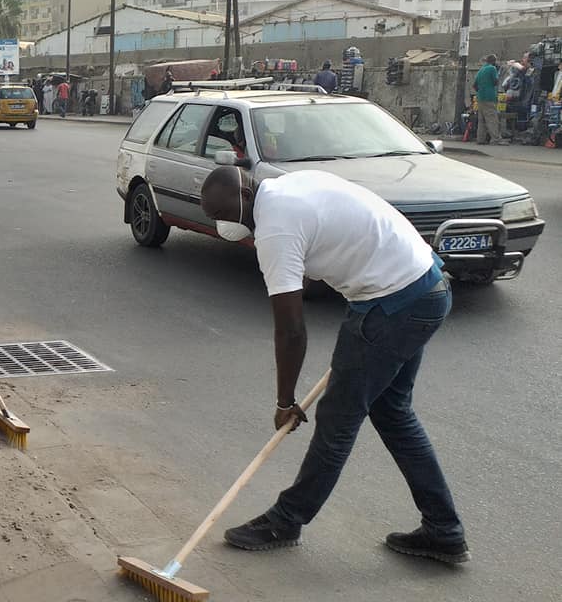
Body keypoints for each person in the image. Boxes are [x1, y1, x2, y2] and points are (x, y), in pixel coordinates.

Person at [199, 166, 467, 565]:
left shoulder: (275, 229)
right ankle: (444, 530)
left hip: (392, 303)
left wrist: (285, 399)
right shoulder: (290, 185)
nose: (223, 226)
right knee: (392, 411)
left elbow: (291, 330)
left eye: (223, 216)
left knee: (337, 420)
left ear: (243, 202)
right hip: (427, 285)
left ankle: (286, 520)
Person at [474, 55, 504, 145]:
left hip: (480, 97)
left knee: (482, 120)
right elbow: (495, 81)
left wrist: (481, 90)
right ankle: (495, 139)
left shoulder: (481, 70)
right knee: (492, 119)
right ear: (494, 61)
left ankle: (480, 139)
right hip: (489, 97)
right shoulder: (492, 68)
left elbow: (474, 85)